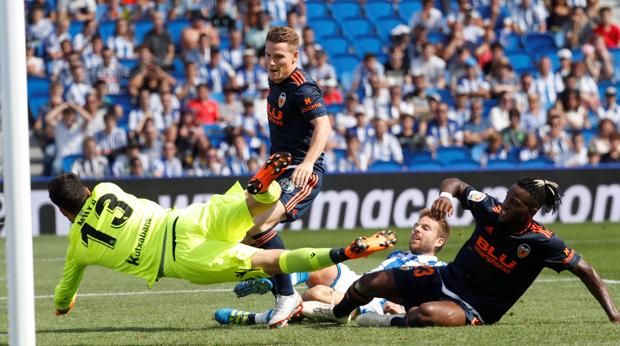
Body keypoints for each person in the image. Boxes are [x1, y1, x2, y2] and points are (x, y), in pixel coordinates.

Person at [50, 153, 397, 321]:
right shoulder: (108, 188)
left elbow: (64, 294)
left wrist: (64, 305)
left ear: (65, 212)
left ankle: (343, 252)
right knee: (254, 205)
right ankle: (265, 185)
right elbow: (97, 199)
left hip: (180, 259)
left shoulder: (78, 247)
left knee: (270, 261)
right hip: (185, 221)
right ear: (86, 188)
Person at [304, 177, 620, 327]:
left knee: (423, 315)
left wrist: (613, 312)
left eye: (515, 203)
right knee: (368, 284)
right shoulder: (490, 209)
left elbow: (585, 269)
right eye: (508, 197)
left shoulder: (543, 241)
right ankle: (336, 316)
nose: (506, 205)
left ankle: (380, 322)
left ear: (532, 210)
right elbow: (455, 183)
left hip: (477, 307)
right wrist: (446, 195)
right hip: (443, 278)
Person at [232, 26, 332, 329]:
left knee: (259, 225)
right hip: (275, 172)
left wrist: (308, 162)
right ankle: (273, 282)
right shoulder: (275, 79)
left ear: (295, 56)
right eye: (267, 55)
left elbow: (323, 126)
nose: (272, 63)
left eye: (278, 57)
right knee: (242, 231)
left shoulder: (304, 88)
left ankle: (285, 294)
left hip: (302, 175)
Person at [214, 208, 450, 326]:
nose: (416, 229)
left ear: (440, 242)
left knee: (316, 293)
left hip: (371, 303)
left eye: (425, 228)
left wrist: (400, 307)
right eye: (417, 225)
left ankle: (252, 318)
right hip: (359, 282)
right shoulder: (402, 254)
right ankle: (274, 281)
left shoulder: (440, 269)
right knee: (323, 267)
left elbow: (436, 303)